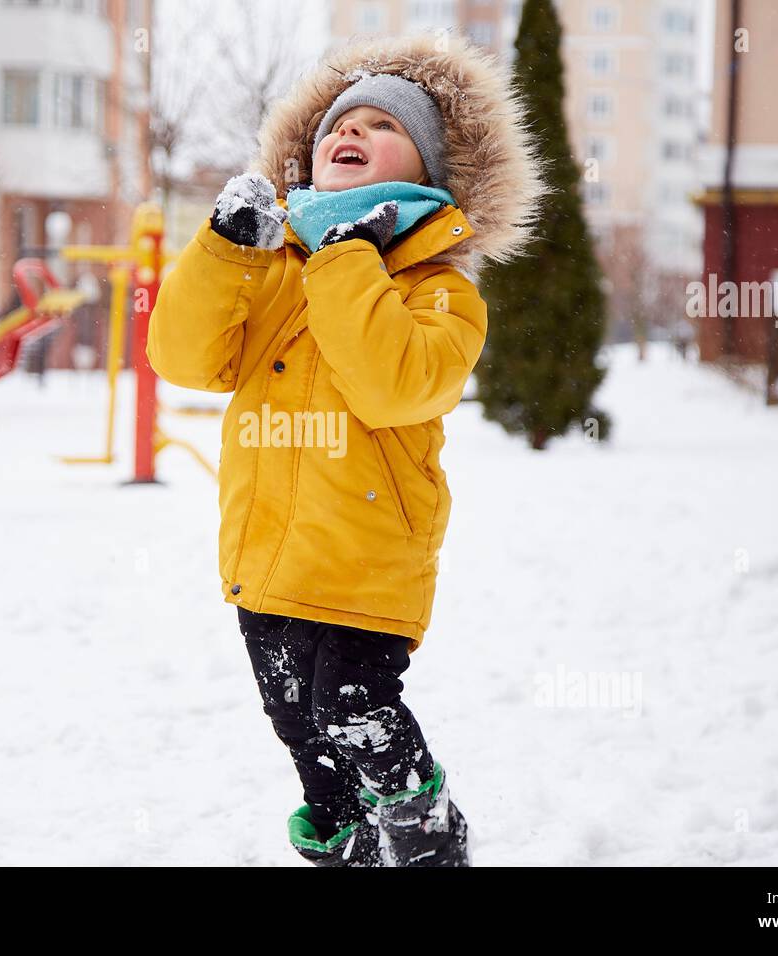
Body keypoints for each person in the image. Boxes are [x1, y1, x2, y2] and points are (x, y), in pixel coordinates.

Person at [147, 33, 543, 866]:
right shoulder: (272, 268)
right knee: (297, 725)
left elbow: (395, 385)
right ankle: (346, 843)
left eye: (379, 124)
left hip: (370, 559)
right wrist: (222, 249)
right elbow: (184, 359)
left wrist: (348, 257)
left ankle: (425, 828)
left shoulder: (440, 290)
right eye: (336, 124)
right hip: (267, 551)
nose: (347, 132)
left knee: (353, 707)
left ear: (429, 171)